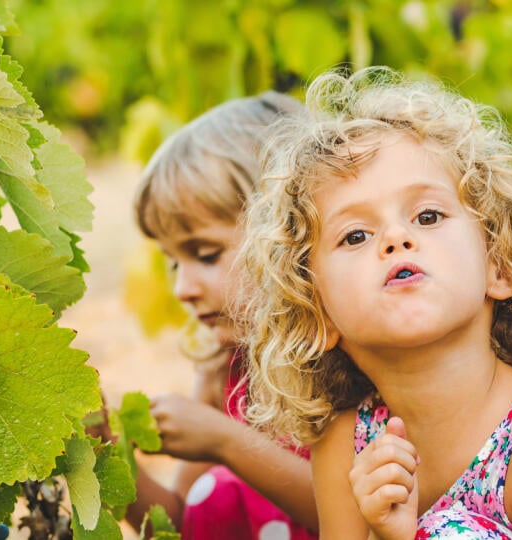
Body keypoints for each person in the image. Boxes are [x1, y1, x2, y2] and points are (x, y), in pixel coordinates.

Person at [238, 66, 512, 538]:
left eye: (427, 215)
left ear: (498, 265)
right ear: (317, 311)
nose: (395, 238)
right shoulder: (348, 447)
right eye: (355, 235)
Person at [122, 90, 318, 539]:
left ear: (291, 233)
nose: (181, 289)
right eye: (173, 262)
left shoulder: (343, 367)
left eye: (205, 254)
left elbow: (351, 517)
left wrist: (228, 442)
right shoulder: (224, 379)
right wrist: (109, 453)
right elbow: (185, 528)